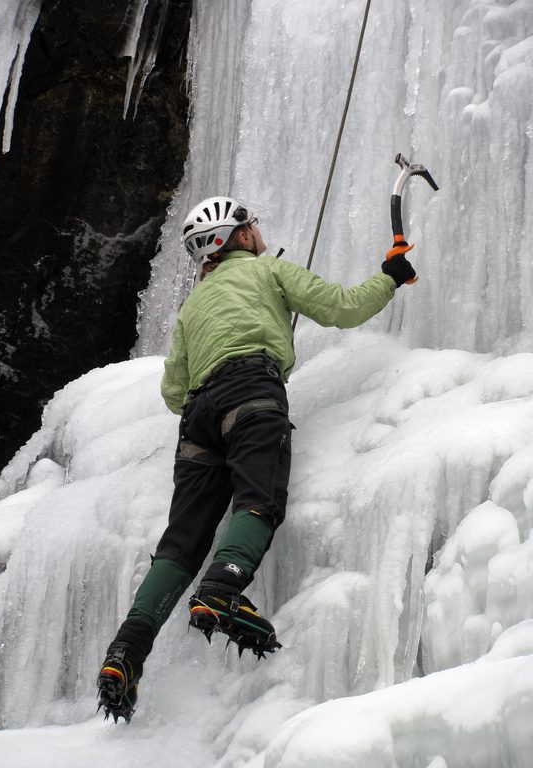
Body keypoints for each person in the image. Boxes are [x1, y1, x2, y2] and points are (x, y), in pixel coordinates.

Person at [97, 196, 416, 723]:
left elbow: (173, 389)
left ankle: (126, 651)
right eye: (250, 224)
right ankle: (222, 589)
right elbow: (342, 307)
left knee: (181, 542)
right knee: (258, 498)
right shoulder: (269, 271)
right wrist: (391, 275)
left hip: (197, 417)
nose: (257, 229)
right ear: (238, 238)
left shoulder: (192, 308)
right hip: (252, 389)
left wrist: (210, 397)